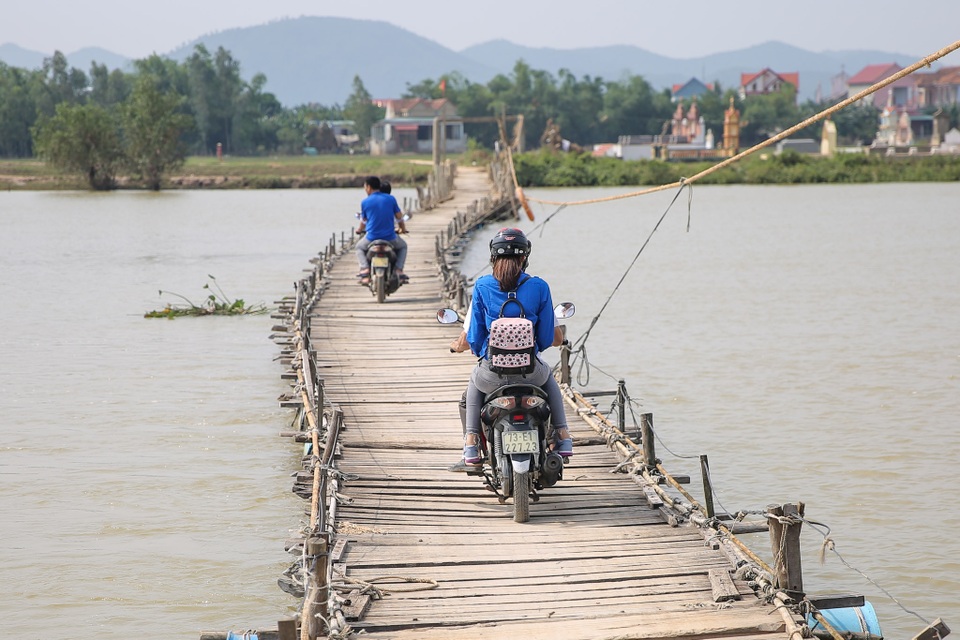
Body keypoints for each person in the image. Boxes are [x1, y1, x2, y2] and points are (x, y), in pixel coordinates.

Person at [450, 227, 572, 465]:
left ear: (493, 257)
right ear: (524, 257)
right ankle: (563, 435)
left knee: (474, 382)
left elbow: (474, 337)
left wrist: (467, 348)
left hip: (492, 375)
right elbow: (548, 337)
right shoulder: (539, 287)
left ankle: (472, 442)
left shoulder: (483, 286)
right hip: (530, 374)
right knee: (550, 380)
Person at [356, 175, 408, 285]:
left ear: (369, 187)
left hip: (371, 238)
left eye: (365, 187)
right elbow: (399, 217)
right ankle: (398, 269)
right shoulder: (390, 199)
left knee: (359, 247)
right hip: (390, 237)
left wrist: (359, 230)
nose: (365, 189)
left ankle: (365, 269)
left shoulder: (365, 202)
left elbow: (363, 221)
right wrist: (402, 229)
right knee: (403, 246)